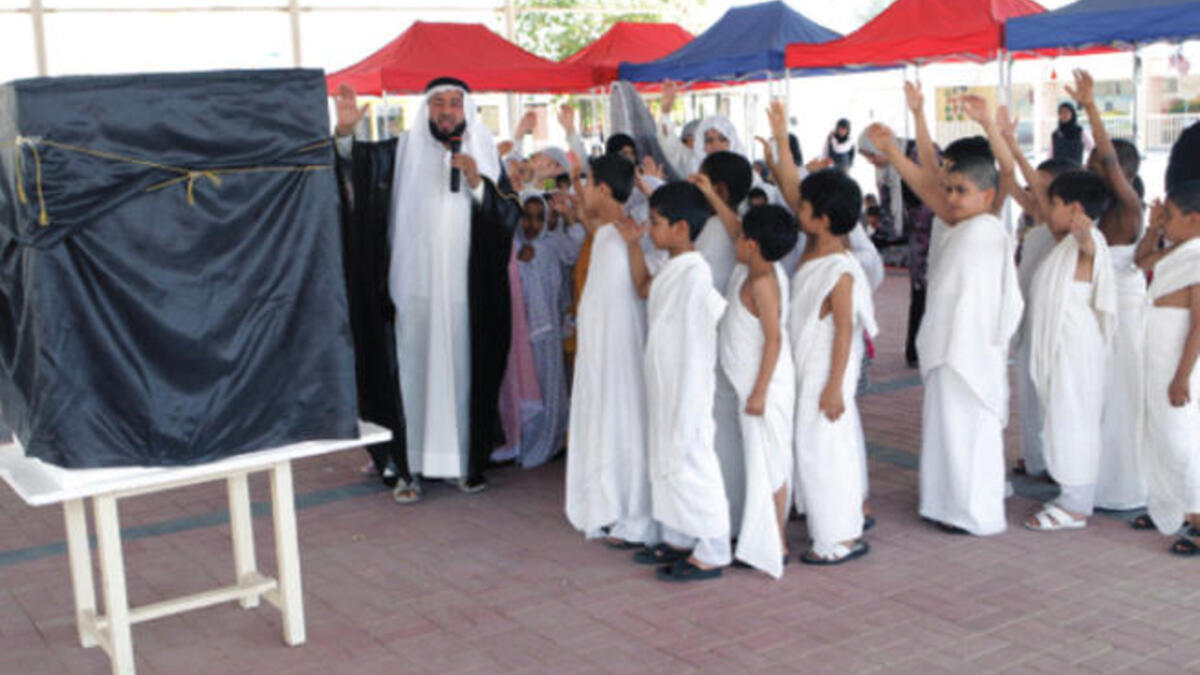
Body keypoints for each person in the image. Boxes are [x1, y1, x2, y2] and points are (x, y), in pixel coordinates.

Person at [333, 78, 520, 502]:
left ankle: (461, 465)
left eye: (455, 103)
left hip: (464, 298)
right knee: (411, 378)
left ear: (466, 109)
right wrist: (345, 134)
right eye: (438, 103)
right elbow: (354, 176)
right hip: (409, 293)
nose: (447, 110)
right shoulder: (400, 151)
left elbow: (508, 217)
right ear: (426, 110)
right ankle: (406, 468)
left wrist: (477, 184)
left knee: (462, 375)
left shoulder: (484, 151)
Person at [866, 98, 1023, 536]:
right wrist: (895, 151)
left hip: (974, 350)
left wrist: (991, 125)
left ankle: (976, 512)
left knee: (971, 431)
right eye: (949, 190)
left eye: (960, 189)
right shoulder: (954, 218)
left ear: (985, 195)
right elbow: (928, 181)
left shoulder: (989, 221)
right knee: (945, 428)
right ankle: (944, 503)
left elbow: (1007, 174)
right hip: (945, 343)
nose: (950, 196)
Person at [621, 181, 730, 582]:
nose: (650, 229)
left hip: (686, 386)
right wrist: (634, 245)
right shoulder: (673, 268)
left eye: (656, 222)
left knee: (693, 458)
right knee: (669, 458)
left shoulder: (696, 274)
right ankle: (681, 536)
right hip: (667, 383)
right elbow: (644, 289)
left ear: (681, 228)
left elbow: (709, 322)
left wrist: (687, 389)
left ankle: (714, 549)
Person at [565, 154, 657, 548]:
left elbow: (643, 282)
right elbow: (591, 220)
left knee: (624, 418)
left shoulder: (629, 233)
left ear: (603, 188)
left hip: (620, 350)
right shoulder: (603, 231)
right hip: (598, 351)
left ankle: (630, 509)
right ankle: (605, 502)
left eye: (587, 183)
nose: (582, 192)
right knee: (603, 416)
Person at [1067, 70, 1150, 511]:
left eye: (1097, 163)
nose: (1090, 168)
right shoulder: (1096, 212)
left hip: (1125, 308)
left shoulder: (1131, 207)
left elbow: (1111, 162)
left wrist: (1091, 108)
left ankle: (1125, 485)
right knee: (1097, 393)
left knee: (1122, 394)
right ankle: (1097, 479)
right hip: (1095, 308)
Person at [789, 169, 877, 564]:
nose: (797, 210)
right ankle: (828, 529)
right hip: (808, 370)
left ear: (822, 219)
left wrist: (834, 386)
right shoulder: (813, 254)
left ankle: (838, 537)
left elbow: (845, 331)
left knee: (826, 451)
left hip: (825, 375)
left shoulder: (841, 270)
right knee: (812, 450)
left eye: (804, 206)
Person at [1025, 171, 1117, 531]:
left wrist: (1083, 235)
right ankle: (1072, 493)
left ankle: (1076, 505)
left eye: (1056, 203)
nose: (1049, 209)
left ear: (1075, 208)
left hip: (1075, 347)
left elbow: (1089, 249)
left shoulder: (1087, 238)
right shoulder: (1065, 241)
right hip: (1067, 346)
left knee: (1073, 419)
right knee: (1064, 418)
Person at [719, 204, 797, 578]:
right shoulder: (753, 268)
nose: (733, 238)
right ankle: (762, 536)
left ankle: (775, 541)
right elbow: (739, 224)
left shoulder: (764, 282)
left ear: (751, 244)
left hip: (766, 387)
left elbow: (774, 338)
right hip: (752, 385)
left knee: (771, 461)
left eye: (739, 237)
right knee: (759, 460)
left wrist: (760, 391)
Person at [1002, 150, 1081, 481]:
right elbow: (1010, 183)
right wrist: (1001, 140)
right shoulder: (1035, 222)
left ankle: (1055, 460)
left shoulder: (1061, 230)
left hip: (1051, 321)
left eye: (1044, 188)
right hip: (1029, 315)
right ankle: (1036, 457)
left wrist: (1012, 148)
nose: (1034, 194)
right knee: (1029, 391)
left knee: (1051, 394)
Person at [1135, 179, 1200, 555]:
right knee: (1160, 437)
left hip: (1179, 369)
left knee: (1182, 441)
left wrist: (1181, 377)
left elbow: (1198, 324)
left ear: (1194, 219)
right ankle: (1172, 507)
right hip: (1157, 362)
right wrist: (1155, 227)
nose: (1166, 222)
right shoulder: (1178, 250)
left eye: (1170, 217)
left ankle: (1197, 514)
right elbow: (1140, 263)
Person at [692, 153, 753, 542]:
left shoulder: (719, 227)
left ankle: (726, 518)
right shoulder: (729, 224)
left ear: (720, 191)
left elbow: (703, 286)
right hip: (726, 337)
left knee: (721, 431)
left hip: (719, 338)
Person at [513, 195, 582, 468]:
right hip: (519, 331)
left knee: (547, 385)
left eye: (539, 218)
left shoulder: (552, 245)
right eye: (526, 216)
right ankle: (524, 442)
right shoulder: (514, 245)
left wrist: (570, 217)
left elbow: (575, 245)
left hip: (547, 331)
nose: (532, 224)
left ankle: (550, 439)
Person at [1050, 102, 1093, 166]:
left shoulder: (1080, 132)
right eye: (1060, 113)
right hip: (1058, 171)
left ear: (1072, 114)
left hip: (1075, 171)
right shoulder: (1055, 134)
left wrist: (1087, 164)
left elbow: (1091, 149)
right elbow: (1050, 154)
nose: (1063, 115)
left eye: (1066, 112)